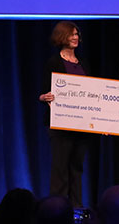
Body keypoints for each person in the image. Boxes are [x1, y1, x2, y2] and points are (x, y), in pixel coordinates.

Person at [39, 21, 94, 209]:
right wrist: (44, 96)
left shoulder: (83, 62)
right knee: (60, 169)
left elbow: (92, 94)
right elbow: (44, 91)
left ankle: (76, 208)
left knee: (77, 168)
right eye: (71, 34)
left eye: (77, 34)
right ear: (62, 37)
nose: (76, 37)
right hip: (60, 126)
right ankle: (57, 209)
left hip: (81, 126)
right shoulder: (54, 62)